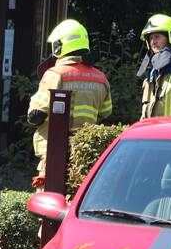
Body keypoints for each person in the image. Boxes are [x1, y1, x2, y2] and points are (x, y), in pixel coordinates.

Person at [27, 19, 112, 186]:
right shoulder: (100, 78)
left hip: (54, 151)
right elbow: (106, 112)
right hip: (85, 151)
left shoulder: (55, 74)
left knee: (50, 195)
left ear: (59, 46)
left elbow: (35, 115)